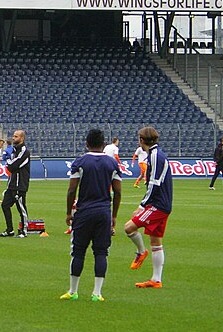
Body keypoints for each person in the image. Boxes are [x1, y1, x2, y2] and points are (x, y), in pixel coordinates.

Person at [60, 129, 122, 302]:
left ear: (86, 143)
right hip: (104, 213)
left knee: (78, 252)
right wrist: (114, 216)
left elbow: (72, 189)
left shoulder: (80, 162)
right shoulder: (112, 164)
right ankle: (97, 293)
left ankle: (73, 291)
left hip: (84, 212)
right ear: (104, 145)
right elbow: (117, 192)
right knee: (101, 252)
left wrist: (68, 213)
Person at [125, 126, 173, 288]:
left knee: (129, 227)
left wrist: (142, 205)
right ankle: (156, 280)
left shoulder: (154, 156)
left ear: (141, 140)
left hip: (157, 205)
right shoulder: (156, 154)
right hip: (163, 204)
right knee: (156, 242)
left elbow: (154, 184)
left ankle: (140, 252)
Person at [0, 130, 30, 238]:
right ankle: (9, 230)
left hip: (20, 184)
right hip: (11, 184)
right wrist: (9, 163)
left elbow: (13, 166)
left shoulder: (24, 151)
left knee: (21, 208)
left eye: (16, 136)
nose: (13, 138)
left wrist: (8, 162)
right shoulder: (13, 150)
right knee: (5, 205)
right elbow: (11, 166)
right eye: (13, 136)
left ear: (22, 138)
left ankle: (24, 231)